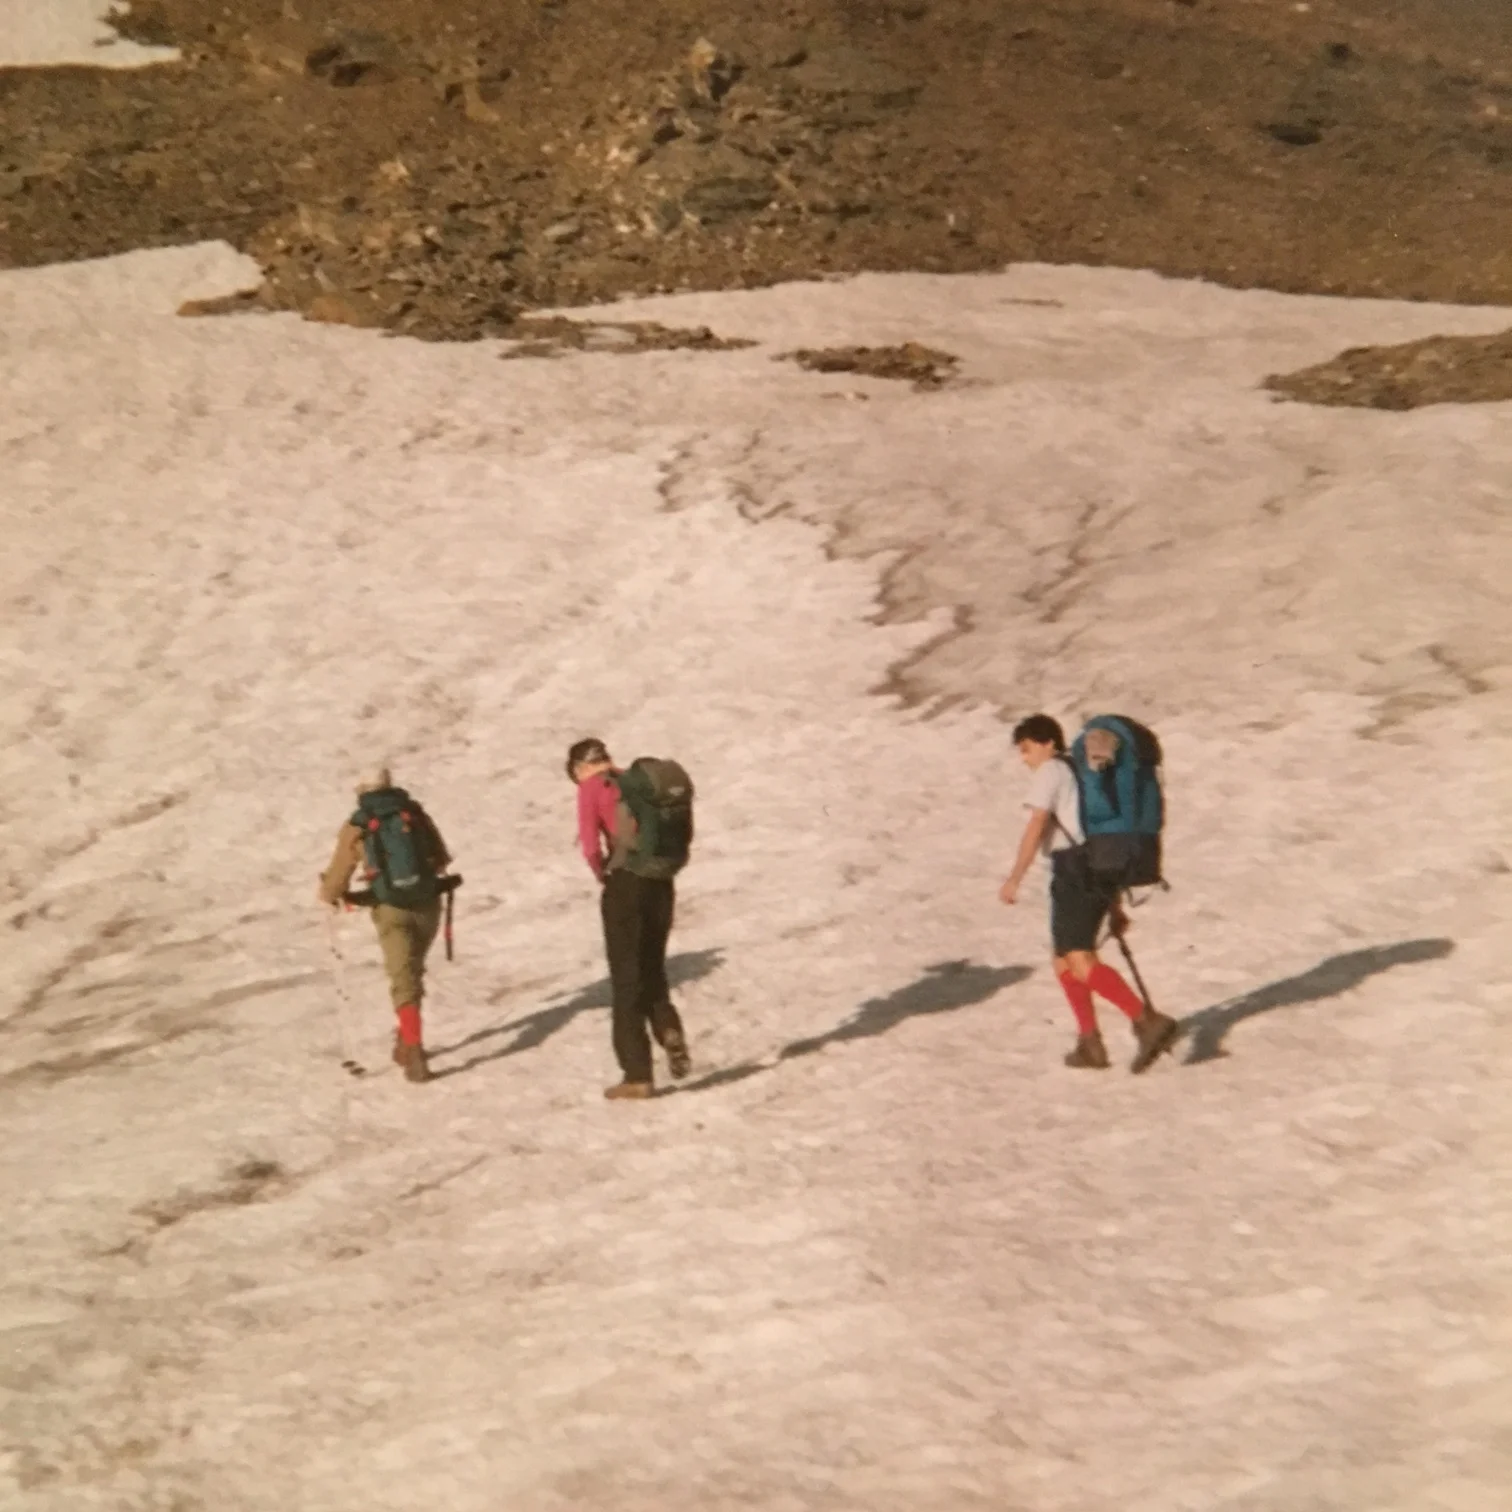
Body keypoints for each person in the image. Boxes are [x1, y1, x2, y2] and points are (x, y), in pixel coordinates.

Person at [999, 715, 1178, 1072]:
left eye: (1027, 748)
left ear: (1047, 742)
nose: (1025, 758)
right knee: (1063, 960)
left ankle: (1145, 1020)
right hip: (1090, 869)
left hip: (1074, 872)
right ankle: (1089, 1043)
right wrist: (1113, 907)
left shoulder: (1052, 770)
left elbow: (1037, 824)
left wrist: (1015, 877)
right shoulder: (1074, 773)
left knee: (1079, 959)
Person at [568, 737, 692, 1100]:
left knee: (626, 979)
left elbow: (591, 845)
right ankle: (668, 1028)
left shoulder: (592, 787)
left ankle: (636, 1074)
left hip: (626, 884)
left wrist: (603, 875)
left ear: (580, 767)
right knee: (652, 966)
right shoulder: (635, 780)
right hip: (661, 881)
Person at [318, 766, 453, 1084]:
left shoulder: (358, 823)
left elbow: (340, 870)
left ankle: (414, 1049)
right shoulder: (414, 812)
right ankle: (406, 1043)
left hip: (391, 909)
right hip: (428, 905)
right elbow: (441, 857)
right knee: (413, 971)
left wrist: (329, 895)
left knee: (402, 979)